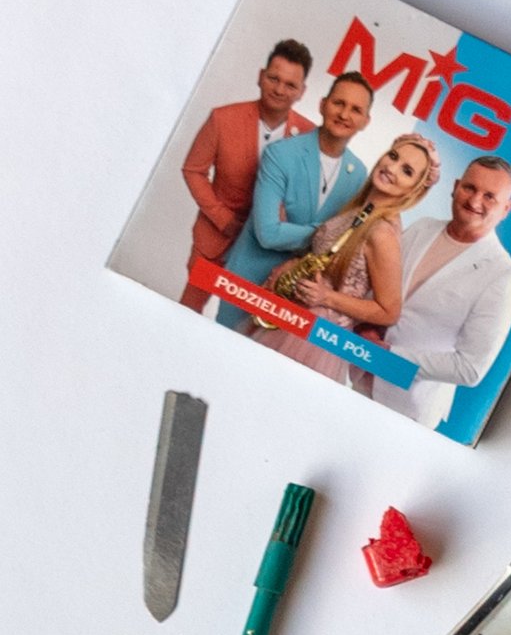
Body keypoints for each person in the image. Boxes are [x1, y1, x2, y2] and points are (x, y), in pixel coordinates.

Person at [255, 129, 442, 393]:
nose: (391, 168)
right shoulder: (360, 210)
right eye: (393, 156)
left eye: (407, 171)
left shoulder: (382, 233)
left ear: (414, 190)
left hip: (316, 337)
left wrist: (326, 297)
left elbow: (389, 311)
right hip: (299, 318)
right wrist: (294, 265)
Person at [370, 155, 511, 431]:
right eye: (470, 188)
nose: (475, 201)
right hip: (355, 370)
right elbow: (379, 284)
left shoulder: (503, 276)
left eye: (489, 196)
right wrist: (366, 329)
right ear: (455, 187)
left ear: (506, 208)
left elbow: (470, 368)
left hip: (407, 406)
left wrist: (389, 355)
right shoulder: (422, 227)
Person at [215, 69, 376, 322]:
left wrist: (293, 231)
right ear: (323, 105)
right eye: (339, 103)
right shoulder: (280, 154)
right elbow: (268, 233)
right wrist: (325, 233)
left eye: (356, 110)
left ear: (366, 121)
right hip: (248, 279)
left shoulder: (358, 174)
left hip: (299, 292)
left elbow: (344, 244)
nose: (344, 114)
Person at [177, 39, 312, 310]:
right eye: (274, 78)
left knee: (243, 324)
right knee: (186, 311)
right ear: (261, 76)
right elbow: (193, 170)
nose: (279, 89)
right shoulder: (222, 118)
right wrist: (222, 219)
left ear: (301, 92)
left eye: (290, 85)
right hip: (214, 239)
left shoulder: (310, 136)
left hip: (266, 253)